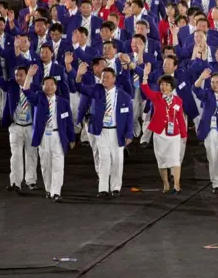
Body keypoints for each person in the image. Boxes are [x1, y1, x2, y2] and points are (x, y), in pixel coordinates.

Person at [75, 63, 134, 198]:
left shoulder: (124, 96)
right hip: (101, 131)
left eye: (107, 77)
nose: (104, 80)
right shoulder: (97, 90)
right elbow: (80, 87)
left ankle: (116, 188)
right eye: (102, 77)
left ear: (114, 79)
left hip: (117, 132)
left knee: (118, 160)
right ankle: (103, 188)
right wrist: (79, 75)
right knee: (104, 159)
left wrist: (129, 133)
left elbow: (129, 117)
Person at [22, 64, 75, 202]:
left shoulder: (63, 102)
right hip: (44, 136)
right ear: (42, 87)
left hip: (58, 136)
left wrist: (71, 138)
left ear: (56, 87)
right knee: (46, 165)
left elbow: (69, 121)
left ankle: (56, 192)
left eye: (52, 84)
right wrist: (29, 76)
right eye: (46, 85)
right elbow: (26, 90)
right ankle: (48, 189)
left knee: (58, 164)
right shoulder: (39, 98)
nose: (49, 87)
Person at [0, 53, 38, 192]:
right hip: (15, 127)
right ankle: (15, 182)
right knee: (15, 155)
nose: (18, 77)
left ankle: (31, 181)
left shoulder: (34, 88)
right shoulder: (11, 85)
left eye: (21, 75)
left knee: (31, 154)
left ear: (28, 75)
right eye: (16, 75)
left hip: (30, 127)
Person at [141, 63, 187, 194]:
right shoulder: (156, 97)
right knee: (161, 159)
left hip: (174, 134)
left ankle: (177, 184)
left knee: (175, 159)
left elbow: (180, 118)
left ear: (172, 87)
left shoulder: (178, 101)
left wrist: (184, 134)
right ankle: (166, 184)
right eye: (162, 84)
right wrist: (145, 76)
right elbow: (145, 90)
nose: (163, 87)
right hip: (159, 133)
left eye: (166, 84)